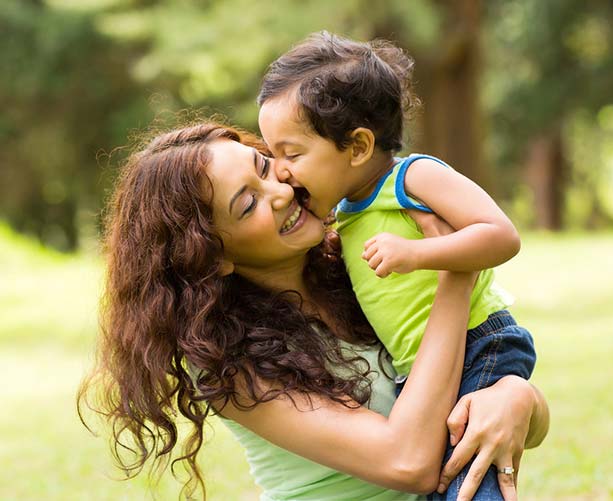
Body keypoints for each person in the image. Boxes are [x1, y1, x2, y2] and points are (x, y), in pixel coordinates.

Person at [77, 122, 548, 501]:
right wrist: (455, 269)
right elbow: (407, 462)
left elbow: (478, 385)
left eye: (264, 166)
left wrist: (516, 397)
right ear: (212, 256)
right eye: (248, 203)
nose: (279, 190)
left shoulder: (359, 265)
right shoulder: (229, 361)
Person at [258, 32, 538, 500]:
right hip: (422, 367)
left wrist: (420, 254)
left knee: (469, 480)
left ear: (358, 146)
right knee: (446, 479)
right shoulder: (343, 213)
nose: (281, 171)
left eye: (292, 154)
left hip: (478, 342)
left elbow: (501, 235)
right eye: (272, 155)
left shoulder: (412, 178)